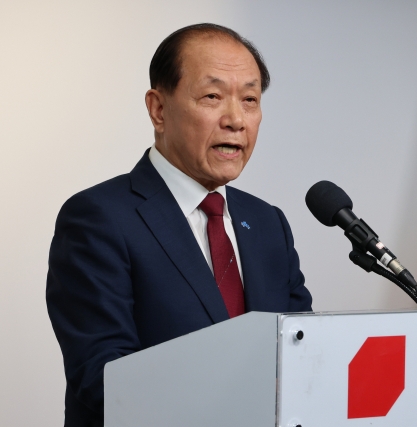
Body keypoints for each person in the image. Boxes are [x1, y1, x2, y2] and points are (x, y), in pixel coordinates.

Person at [46, 23, 312, 427]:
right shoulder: (97, 218)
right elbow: (104, 381)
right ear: (158, 109)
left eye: (250, 100)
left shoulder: (268, 223)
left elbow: (304, 354)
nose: (236, 119)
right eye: (212, 96)